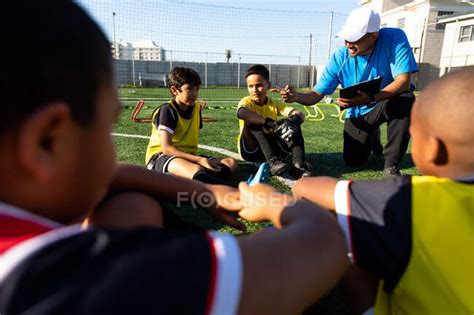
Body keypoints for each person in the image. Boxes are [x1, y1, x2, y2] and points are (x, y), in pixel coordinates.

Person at [0, 2, 349, 314]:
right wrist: (277, 205)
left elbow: (116, 175)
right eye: (109, 123)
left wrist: (208, 194)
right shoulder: (73, 280)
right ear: (48, 141)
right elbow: (323, 244)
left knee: (133, 203)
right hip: (168, 163)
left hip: (179, 178)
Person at [292, 67, 474, 314]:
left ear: (433, 149)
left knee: (344, 223)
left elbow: (309, 188)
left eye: (413, 134)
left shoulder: (409, 198)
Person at [278, 8, 418, 178]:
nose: (347, 44)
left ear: (373, 36)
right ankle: (373, 135)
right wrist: (297, 96)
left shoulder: (394, 38)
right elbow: (316, 94)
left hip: (387, 101)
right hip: (359, 111)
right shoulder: (339, 57)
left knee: (405, 99)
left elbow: (403, 82)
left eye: (354, 39)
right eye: (346, 38)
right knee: (353, 160)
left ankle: (391, 165)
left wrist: (372, 98)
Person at [145, 67, 238, 186]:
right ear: (174, 90)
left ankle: (207, 179)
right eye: (189, 89)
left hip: (188, 156)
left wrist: (197, 159)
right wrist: (199, 160)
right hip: (161, 157)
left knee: (230, 162)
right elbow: (166, 148)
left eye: (197, 89)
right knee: (197, 170)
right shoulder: (167, 110)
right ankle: (233, 189)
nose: (194, 94)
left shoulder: (196, 108)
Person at [237, 64, 313, 178]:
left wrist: (292, 122)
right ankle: (273, 162)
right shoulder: (246, 102)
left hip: (273, 147)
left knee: (293, 125)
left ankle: (298, 165)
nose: (254, 90)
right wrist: (272, 124)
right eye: (250, 86)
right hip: (251, 150)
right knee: (253, 123)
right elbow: (242, 113)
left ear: (269, 85)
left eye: (259, 85)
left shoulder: (273, 103)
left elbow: (299, 114)